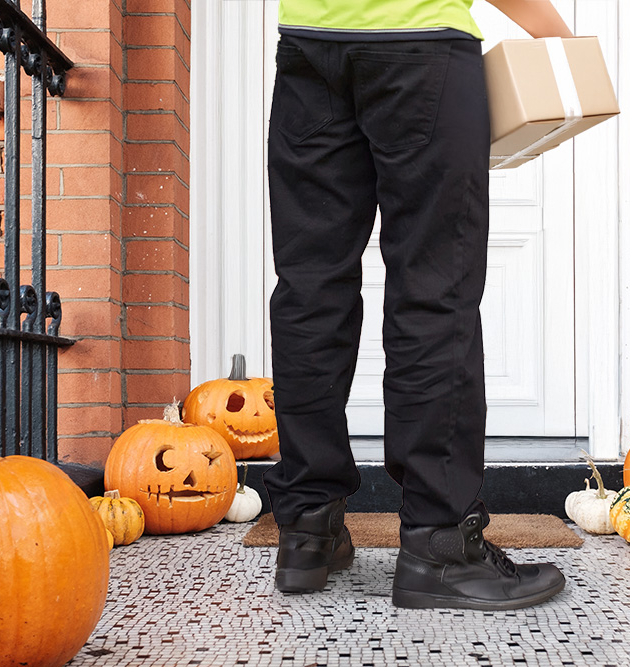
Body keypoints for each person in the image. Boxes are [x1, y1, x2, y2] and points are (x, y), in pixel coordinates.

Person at [263, 0, 574, 610]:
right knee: (435, 290)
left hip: (309, 48)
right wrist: (557, 36)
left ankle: (306, 528)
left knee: (309, 289)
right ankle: (440, 546)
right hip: (422, 46)